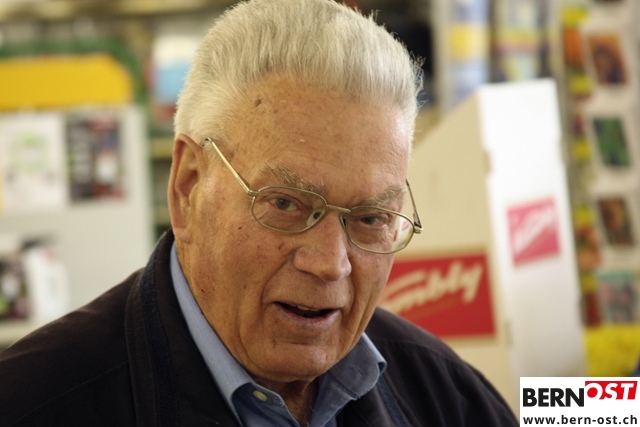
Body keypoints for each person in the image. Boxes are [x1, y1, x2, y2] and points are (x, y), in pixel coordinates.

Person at [0, 0, 519, 426]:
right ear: (188, 188)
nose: (331, 264)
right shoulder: (31, 404)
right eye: (287, 204)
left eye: (369, 218)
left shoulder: (448, 398)